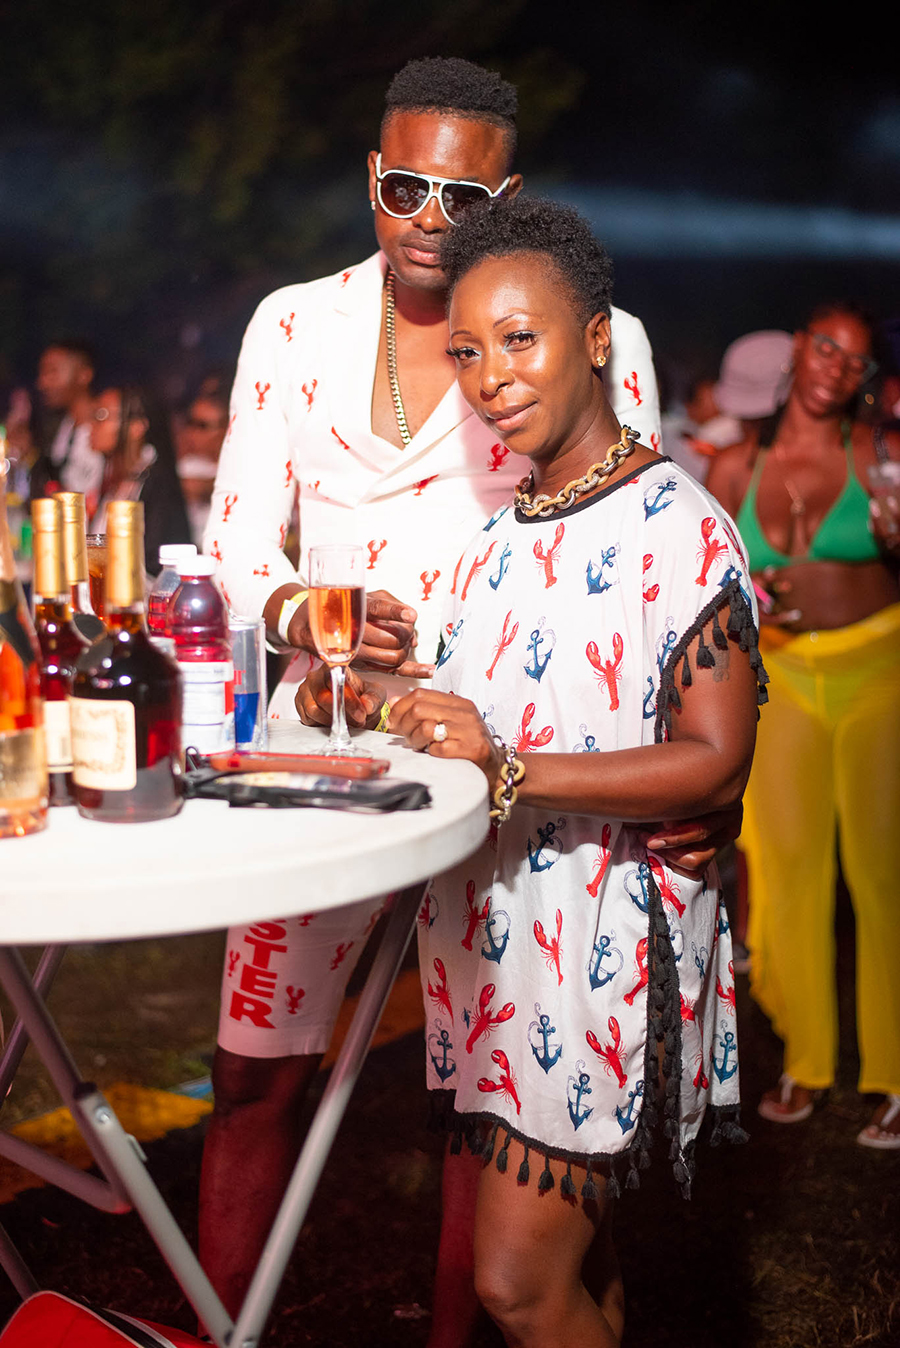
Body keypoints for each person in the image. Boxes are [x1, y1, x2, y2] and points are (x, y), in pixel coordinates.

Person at [200, 57, 736, 1320]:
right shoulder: (293, 325)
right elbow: (232, 545)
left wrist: (701, 784)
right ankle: (209, 1324)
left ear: (509, 194)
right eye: (405, 187)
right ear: (370, 181)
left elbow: (643, 566)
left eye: (463, 195)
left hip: (511, 775)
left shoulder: (593, 337)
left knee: (483, 1093)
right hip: (327, 744)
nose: (429, 218)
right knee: (253, 1068)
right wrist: (308, 613)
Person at [305, 195, 764, 1347]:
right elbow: (473, 711)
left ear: (597, 337)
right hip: (505, 950)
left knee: (515, 1281)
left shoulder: (679, 526)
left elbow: (714, 762)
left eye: (520, 338)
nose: (491, 377)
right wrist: (358, 688)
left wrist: (507, 769)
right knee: (583, 1271)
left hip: (604, 956)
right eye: (466, 351)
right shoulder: (499, 539)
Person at [706, 301, 900, 1148]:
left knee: (880, 874)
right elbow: (709, 582)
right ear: (799, 349)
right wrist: (747, 599)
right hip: (781, 675)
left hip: (878, 670)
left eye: (854, 359)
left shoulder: (880, 457)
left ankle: (894, 1071)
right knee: (787, 870)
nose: (837, 367)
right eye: (826, 347)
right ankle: (807, 1060)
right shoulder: (735, 466)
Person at [88, 385, 192, 575]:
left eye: (101, 415)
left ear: (136, 427)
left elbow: (155, 566)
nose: (91, 426)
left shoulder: (158, 487)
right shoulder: (113, 479)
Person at [31, 340, 102, 503]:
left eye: (52, 372)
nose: (42, 383)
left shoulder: (106, 428)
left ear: (84, 375)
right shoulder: (59, 427)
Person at [176, 391, 230, 547]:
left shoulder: (241, 465)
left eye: (202, 425)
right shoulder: (188, 465)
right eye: (190, 423)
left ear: (226, 428)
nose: (192, 432)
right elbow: (180, 487)